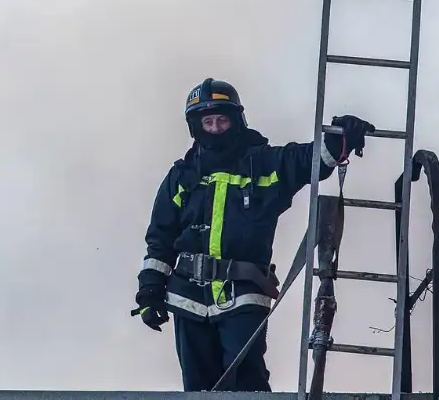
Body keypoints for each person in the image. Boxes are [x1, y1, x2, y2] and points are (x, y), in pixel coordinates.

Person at [131, 77, 375, 392]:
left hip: (243, 294)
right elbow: (160, 239)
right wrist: (150, 291)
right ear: (196, 126)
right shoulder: (181, 177)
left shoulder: (263, 164)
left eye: (222, 119)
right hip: (187, 297)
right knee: (197, 389)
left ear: (237, 120)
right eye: (209, 121)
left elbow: (306, 161)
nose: (216, 127)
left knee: (246, 381)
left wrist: (338, 140)